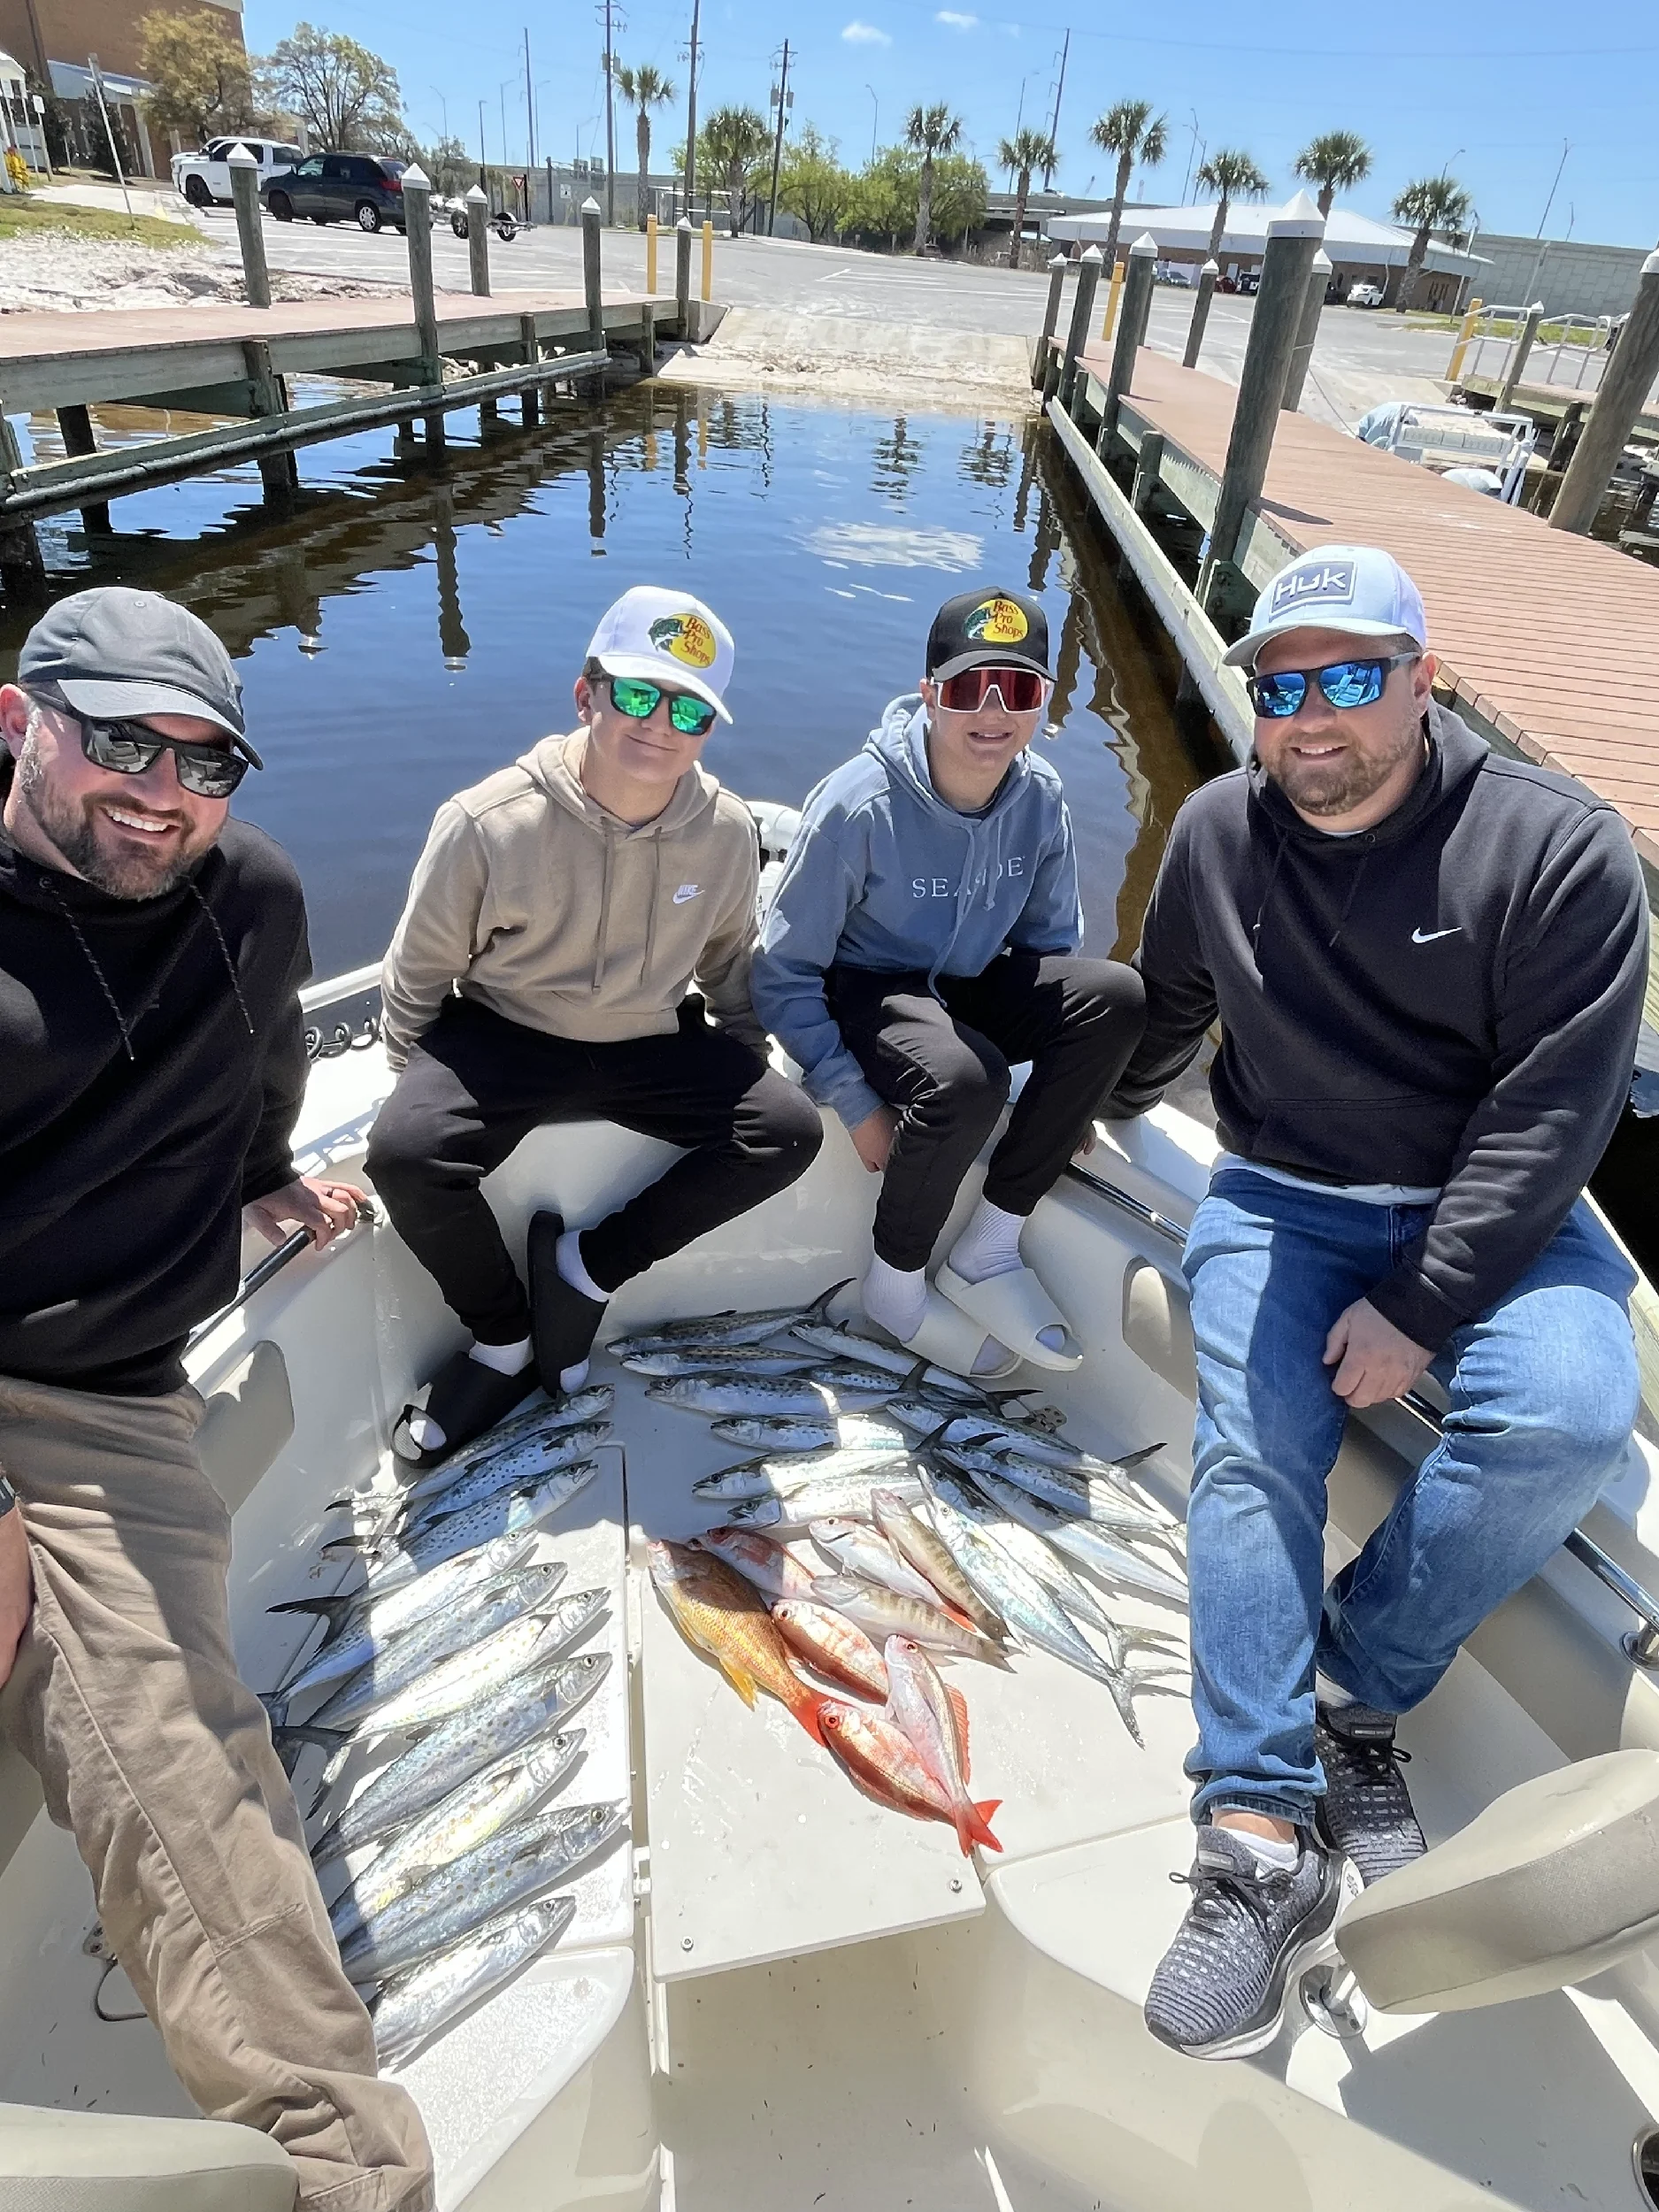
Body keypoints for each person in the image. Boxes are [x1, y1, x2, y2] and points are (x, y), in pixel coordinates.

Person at [1102, 545, 1647, 2062]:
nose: (1313, 720)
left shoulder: (1558, 851)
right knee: (1253, 1439)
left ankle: (1356, 1685)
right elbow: (1168, 1016)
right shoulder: (1218, 833)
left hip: (1503, 1211)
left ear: (1426, 680)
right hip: (1286, 1194)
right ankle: (1261, 1837)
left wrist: (1419, 1303)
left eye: (1353, 678)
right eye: (1283, 686)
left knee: (1571, 1413)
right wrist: (1066, 1116)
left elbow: (1554, 1120)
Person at [0, 588, 433, 2207]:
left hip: (96, 1406)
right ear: (17, 718)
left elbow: (264, 1075)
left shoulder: (250, 899)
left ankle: (344, 2169)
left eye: (205, 759)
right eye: (117, 740)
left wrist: (266, 1186)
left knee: (174, 1757)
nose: (159, 788)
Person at [367, 587, 822, 1459]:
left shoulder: (727, 832)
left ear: (709, 729)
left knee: (789, 1131)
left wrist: (747, 1056)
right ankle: (502, 1338)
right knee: (403, 1153)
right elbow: (420, 969)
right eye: (638, 693)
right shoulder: (485, 821)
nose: (659, 724)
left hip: (650, 1036)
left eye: (688, 708)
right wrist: (409, 1078)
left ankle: (588, 1269)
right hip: (503, 1031)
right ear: (588, 695)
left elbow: (729, 963)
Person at [751, 586, 1146, 1376]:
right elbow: (782, 969)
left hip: (965, 981)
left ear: (1041, 703)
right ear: (930, 694)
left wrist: (1063, 1094)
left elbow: (1048, 951)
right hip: (862, 984)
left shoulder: (1040, 798)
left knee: (1118, 994)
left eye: (1020, 689)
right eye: (967, 688)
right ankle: (892, 1284)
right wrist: (854, 1100)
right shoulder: (858, 803)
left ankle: (989, 1245)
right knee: (968, 1081)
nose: (991, 712)